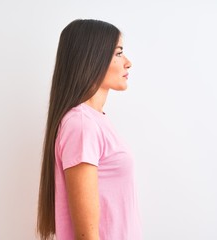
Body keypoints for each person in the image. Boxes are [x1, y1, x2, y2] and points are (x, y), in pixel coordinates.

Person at [37, 19, 141, 240]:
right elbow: (87, 235)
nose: (128, 62)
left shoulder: (95, 121)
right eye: (118, 53)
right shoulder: (82, 125)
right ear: (93, 58)